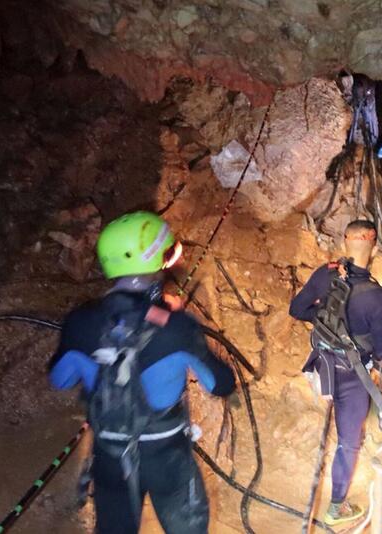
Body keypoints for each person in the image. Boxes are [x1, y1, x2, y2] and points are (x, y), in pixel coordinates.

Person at [48, 211, 235, 534]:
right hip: (168, 458)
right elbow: (221, 384)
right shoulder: (177, 327)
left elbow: (59, 379)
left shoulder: (80, 322)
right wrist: (185, 328)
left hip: (110, 456)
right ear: (153, 260)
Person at [289, 219, 382, 525]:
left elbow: (297, 310)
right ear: (375, 248)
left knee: (343, 420)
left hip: (321, 366)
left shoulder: (325, 274)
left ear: (343, 244)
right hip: (352, 378)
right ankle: (336, 506)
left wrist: (325, 321)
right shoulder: (377, 297)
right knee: (348, 441)